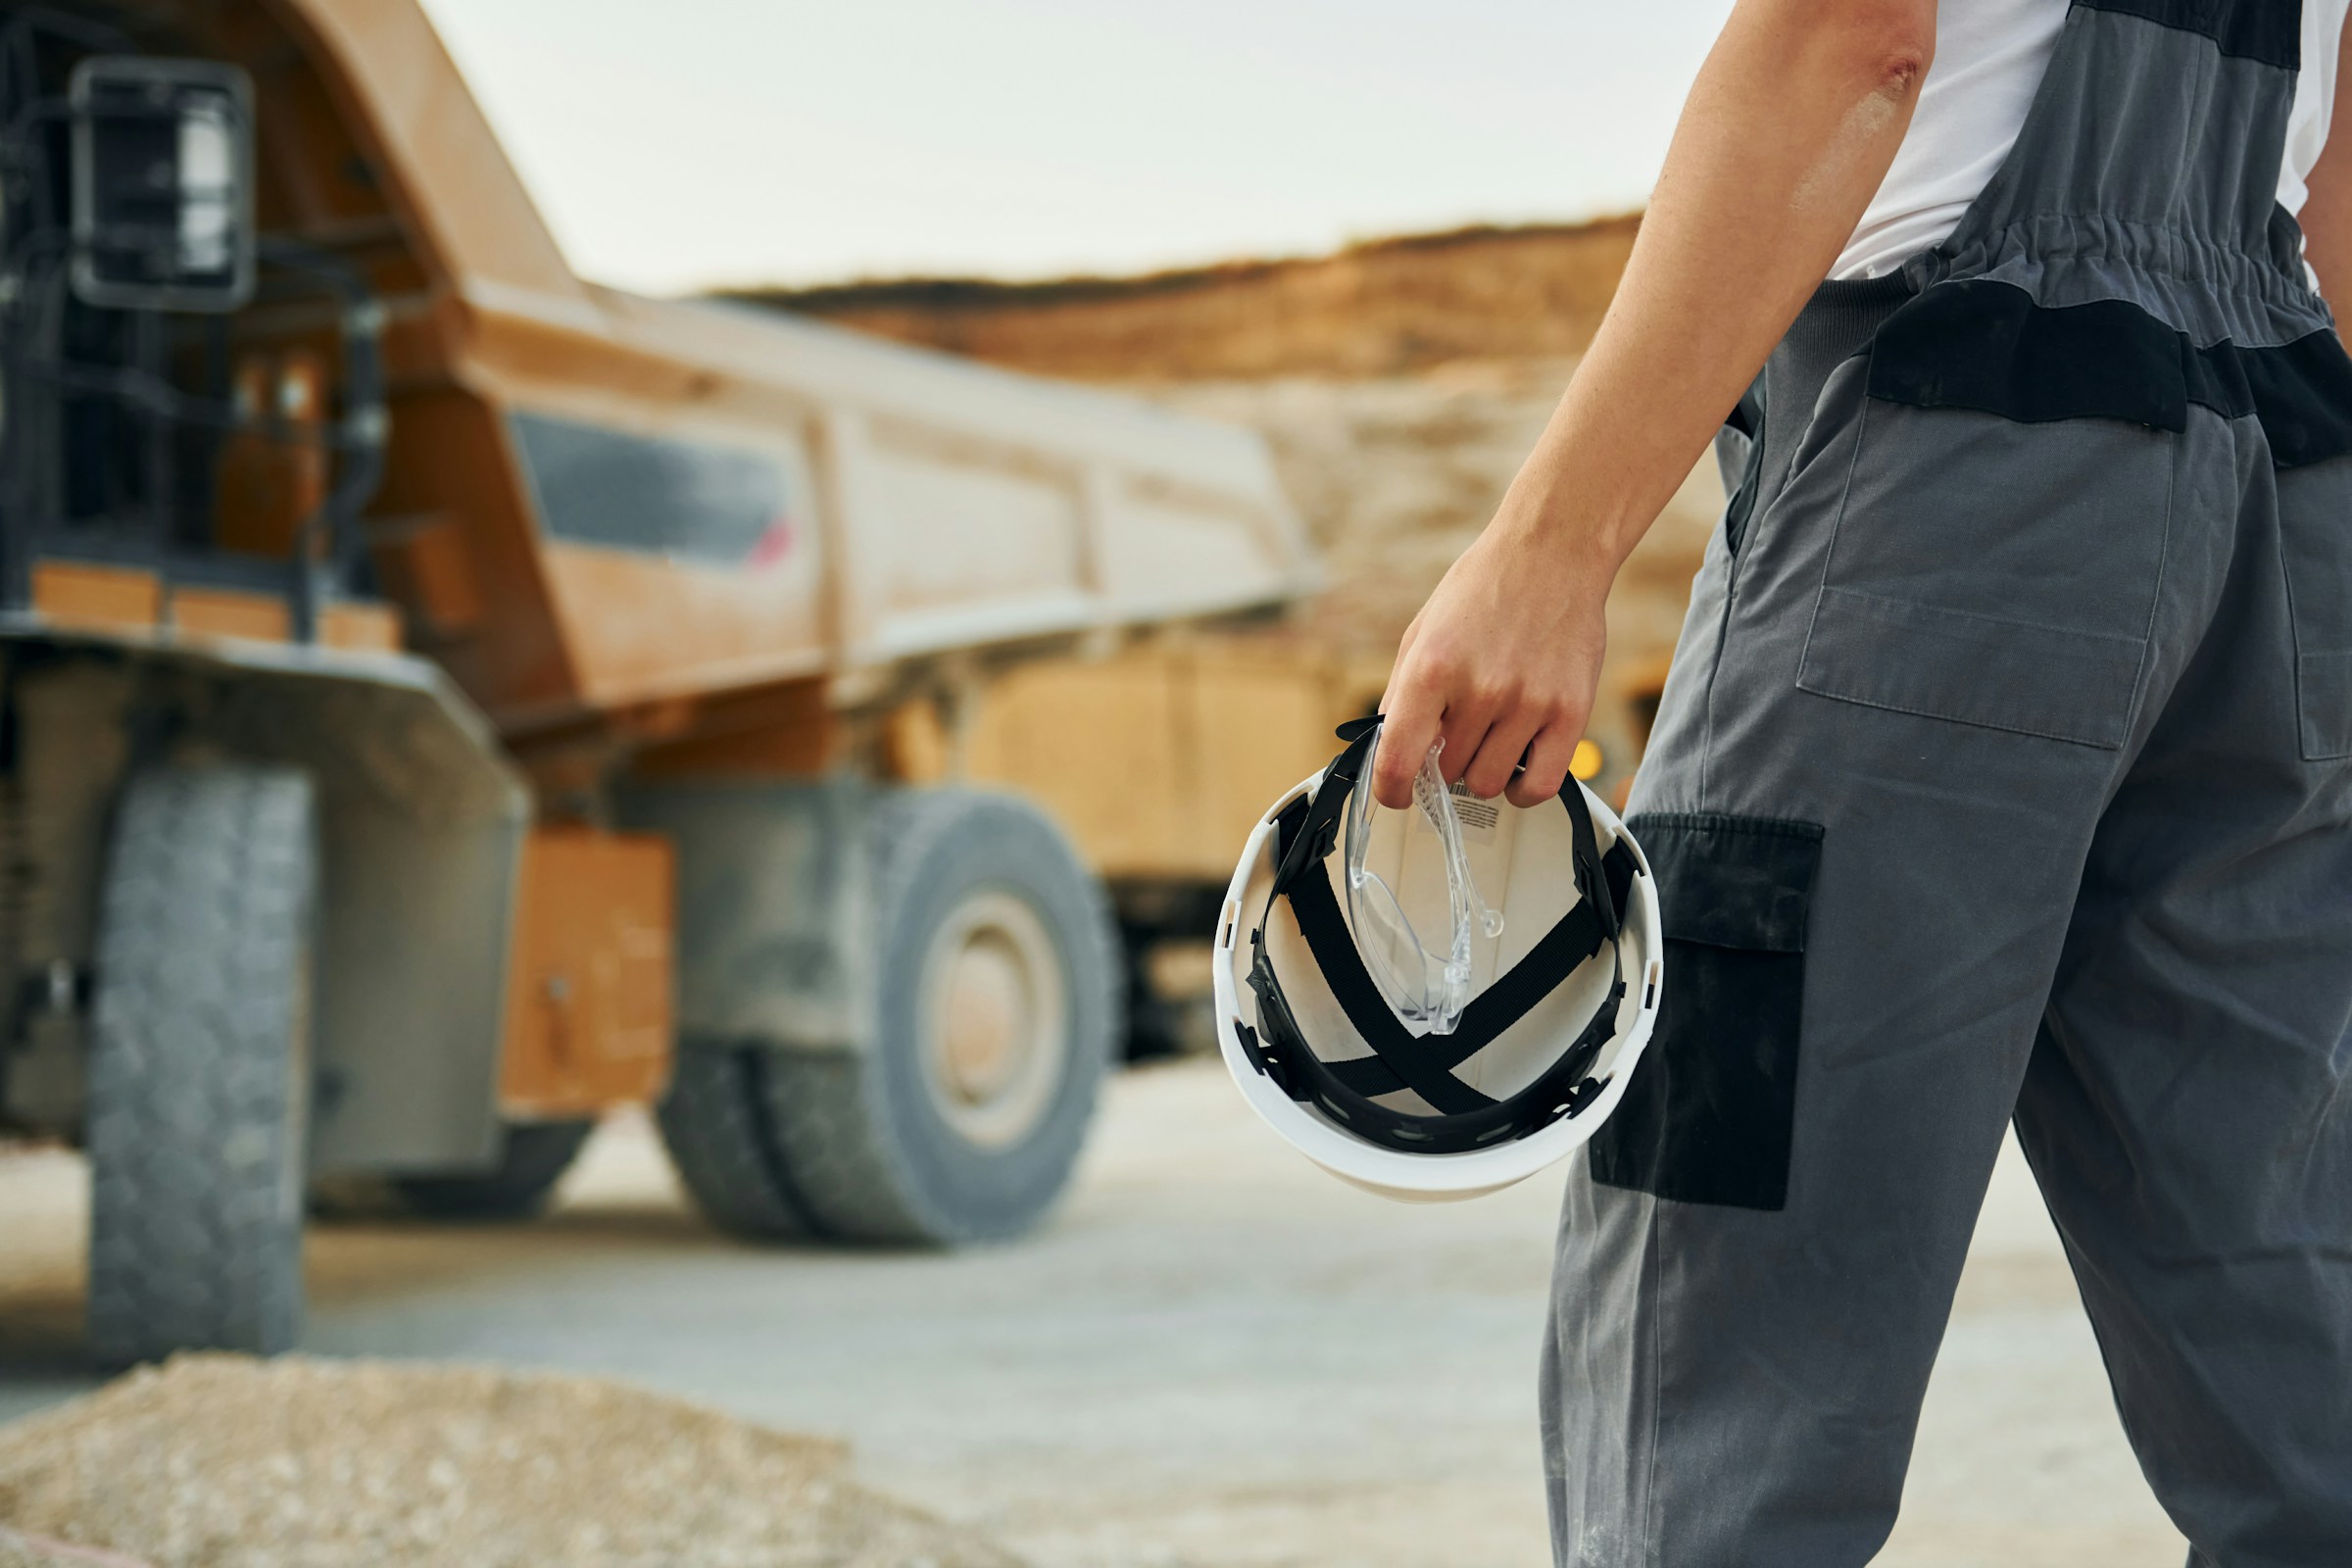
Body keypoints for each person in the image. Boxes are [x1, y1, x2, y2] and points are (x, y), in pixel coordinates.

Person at [1374, 0, 2352, 1562]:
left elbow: (1854, 35)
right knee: (2287, 1267)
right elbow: (2337, 170)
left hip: (1961, 468)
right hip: (2284, 497)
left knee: (1728, 1296)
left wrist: (1553, 543)